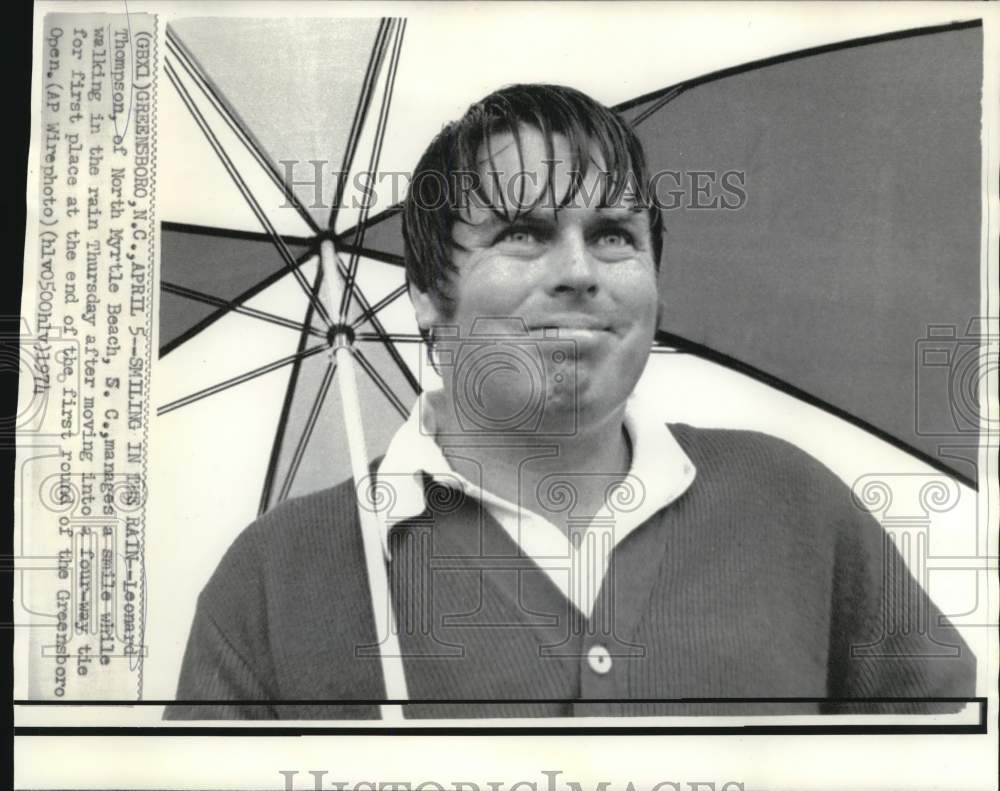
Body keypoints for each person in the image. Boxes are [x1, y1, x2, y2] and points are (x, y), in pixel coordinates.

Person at [166, 84, 975, 720]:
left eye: (615, 234)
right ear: (425, 291)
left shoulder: (795, 506)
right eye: (523, 231)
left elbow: (956, 760)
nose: (579, 270)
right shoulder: (275, 577)